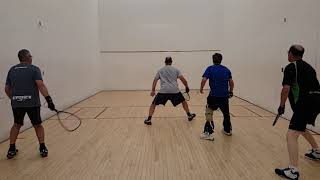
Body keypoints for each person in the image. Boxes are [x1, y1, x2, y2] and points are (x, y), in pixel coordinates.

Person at [275, 45, 320, 180]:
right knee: (301, 128)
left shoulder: (290, 67)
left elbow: (286, 89)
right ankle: (317, 151)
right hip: (317, 101)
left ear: (290, 54)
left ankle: (293, 170)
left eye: (288, 53)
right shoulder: (309, 67)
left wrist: (281, 106)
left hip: (305, 103)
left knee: (291, 134)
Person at [5, 49, 56, 159]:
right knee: (37, 125)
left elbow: (7, 89)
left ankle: (11, 149)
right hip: (32, 103)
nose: (32, 58)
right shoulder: (34, 69)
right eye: (31, 56)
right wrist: (49, 100)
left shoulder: (12, 70)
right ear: (28, 57)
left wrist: (14, 99)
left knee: (16, 124)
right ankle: (42, 148)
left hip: (17, 104)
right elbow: (40, 85)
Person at [144, 57, 196, 125]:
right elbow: (183, 79)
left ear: (165, 62)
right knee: (183, 101)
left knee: (153, 104)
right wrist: (186, 86)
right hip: (175, 91)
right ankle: (189, 115)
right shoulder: (176, 70)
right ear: (171, 62)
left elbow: (155, 80)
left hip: (163, 91)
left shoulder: (160, 70)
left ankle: (149, 119)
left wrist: (153, 90)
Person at [199, 53, 234, 141]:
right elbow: (231, 82)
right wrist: (231, 91)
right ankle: (227, 130)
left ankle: (208, 133)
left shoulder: (210, 68)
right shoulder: (226, 70)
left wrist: (201, 88)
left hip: (213, 96)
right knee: (226, 113)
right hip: (224, 96)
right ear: (221, 60)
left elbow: (204, 79)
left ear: (213, 60)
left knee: (209, 112)